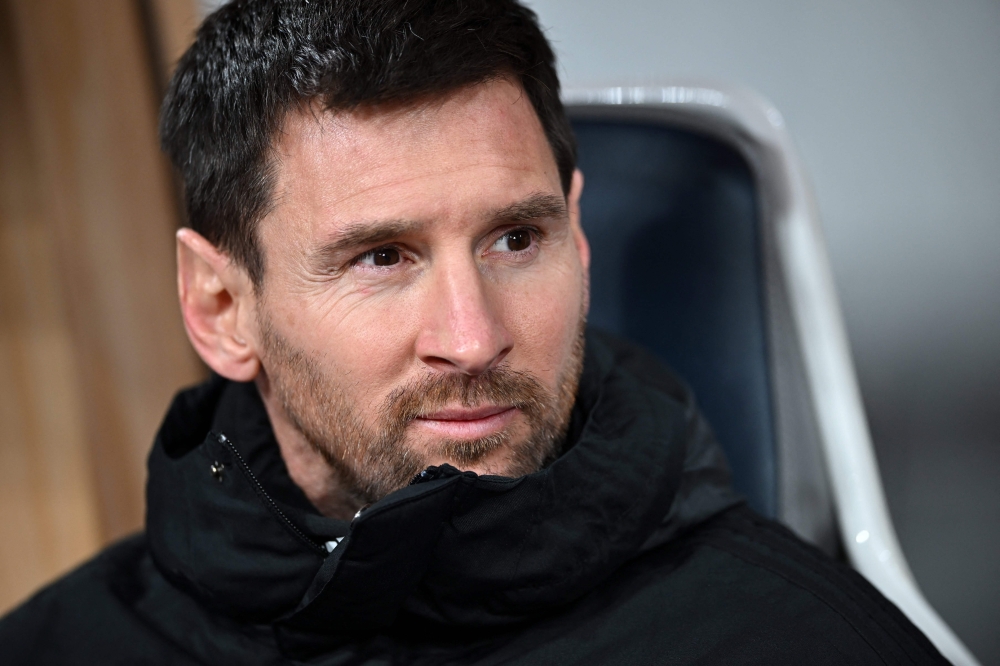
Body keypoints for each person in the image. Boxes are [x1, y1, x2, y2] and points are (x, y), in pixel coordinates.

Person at [0, 1, 946, 664]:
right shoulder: (58, 647)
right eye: (382, 258)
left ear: (577, 240)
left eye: (515, 238)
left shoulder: (801, 643)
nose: (472, 337)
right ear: (220, 308)